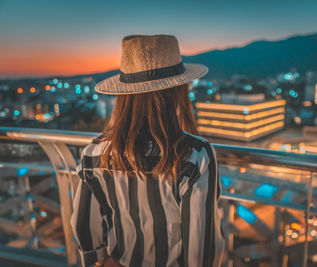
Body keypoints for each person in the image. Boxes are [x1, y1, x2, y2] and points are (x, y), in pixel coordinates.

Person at [70, 35, 225, 267]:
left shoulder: (95, 153)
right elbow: (201, 250)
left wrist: (98, 258)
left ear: (124, 96)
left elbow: (83, 222)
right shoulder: (195, 156)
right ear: (179, 90)